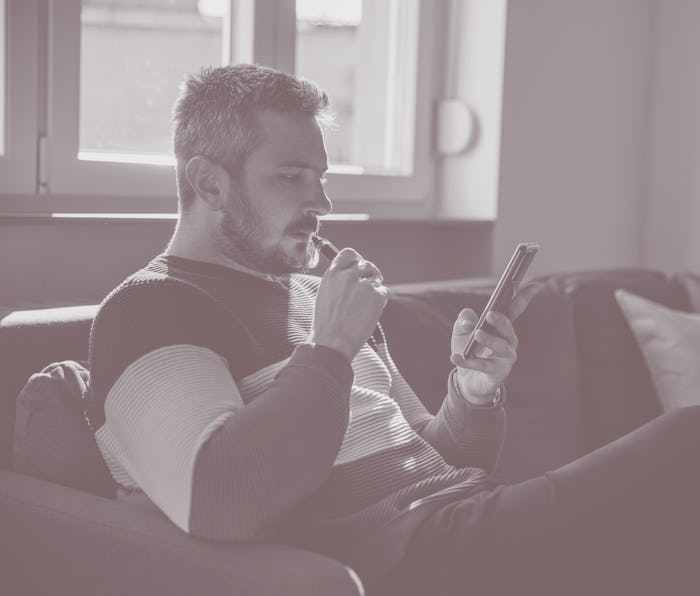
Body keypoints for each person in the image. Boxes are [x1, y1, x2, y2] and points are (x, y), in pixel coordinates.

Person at [88, 64, 700, 596]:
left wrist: (473, 393)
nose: (322, 201)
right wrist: (330, 348)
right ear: (208, 182)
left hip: (473, 520)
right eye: (292, 175)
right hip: (414, 564)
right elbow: (219, 499)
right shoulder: (154, 309)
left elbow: (435, 459)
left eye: (322, 176)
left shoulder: (317, 294)